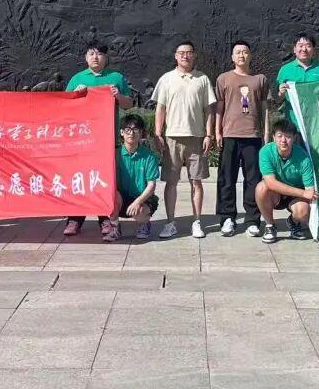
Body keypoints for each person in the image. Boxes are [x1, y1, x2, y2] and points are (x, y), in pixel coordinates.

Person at [63, 40, 135, 236]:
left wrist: (118, 95)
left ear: (106, 57)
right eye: (91, 54)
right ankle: (74, 219)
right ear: (86, 57)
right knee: (79, 179)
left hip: (107, 141)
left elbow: (128, 104)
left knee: (104, 181)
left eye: (100, 54)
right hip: (82, 141)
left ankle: (105, 220)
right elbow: (65, 108)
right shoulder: (77, 78)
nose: (95, 57)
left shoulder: (116, 77)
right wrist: (75, 95)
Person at [151, 40, 216, 239]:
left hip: (196, 137)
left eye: (189, 52)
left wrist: (209, 134)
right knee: (171, 182)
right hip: (172, 137)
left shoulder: (202, 79)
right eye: (181, 53)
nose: (185, 56)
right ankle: (170, 222)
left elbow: (209, 110)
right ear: (175, 56)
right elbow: (160, 109)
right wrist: (158, 133)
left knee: (196, 181)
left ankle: (197, 222)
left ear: (194, 55)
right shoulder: (166, 79)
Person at [214, 40, 270, 237]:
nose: (241, 55)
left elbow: (265, 108)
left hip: (252, 136)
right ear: (232, 57)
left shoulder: (259, 80)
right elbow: (219, 107)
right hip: (229, 135)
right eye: (237, 52)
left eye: (245, 52)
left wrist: (266, 133)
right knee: (226, 179)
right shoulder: (223, 79)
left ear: (250, 55)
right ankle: (227, 218)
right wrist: (217, 131)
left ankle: (252, 220)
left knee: (253, 179)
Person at [255, 120, 318, 243]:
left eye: (288, 136)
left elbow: (310, 190)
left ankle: (293, 222)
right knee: (261, 188)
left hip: (295, 194)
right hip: (275, 193)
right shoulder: (266, 152)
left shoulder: (303, 157)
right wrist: (303, 193)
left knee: (303, 211)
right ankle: (270, 225)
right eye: (279, 136)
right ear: (274, 137)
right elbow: (271, 183)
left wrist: (308, 195)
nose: (283, 140)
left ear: (294, 138)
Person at [104, 114, 160, 242]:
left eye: (136, 130)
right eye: (128, 130)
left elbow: (151, 185)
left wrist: (137, 202)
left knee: (141, 211)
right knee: (111, 197)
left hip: (141, 198)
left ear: (141, 133)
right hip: (121, 198)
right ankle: (115, 227)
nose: (131, 133)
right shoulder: (114, 154)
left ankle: (144, 224)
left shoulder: (149, 156)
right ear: (121, 132)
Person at [273, 33, 319, 127]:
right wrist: (281, 93)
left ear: (313, 49)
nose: (304, 49)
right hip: (293, 124)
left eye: (308, 46)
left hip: (317, 123)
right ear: (294, 49)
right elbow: (277, 99)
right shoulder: (285, 70)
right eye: (300, 46)